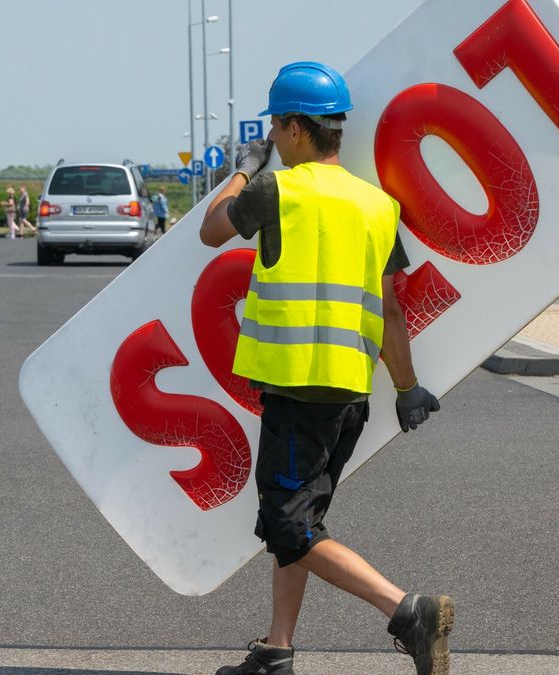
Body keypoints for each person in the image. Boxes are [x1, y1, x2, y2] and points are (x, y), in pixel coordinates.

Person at [199, 61, 450, 675]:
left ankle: (407, 611)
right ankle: (278, 651)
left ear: (292, 129)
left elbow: (211, 232)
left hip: (297, 388)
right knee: (303, 521)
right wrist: (408, 387)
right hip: (349, 396)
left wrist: (241, 169)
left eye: (274, 130)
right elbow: (391, 309)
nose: (273, 141)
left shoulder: (276, 190)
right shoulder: (376, 206)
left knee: (285, 526)